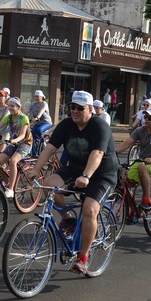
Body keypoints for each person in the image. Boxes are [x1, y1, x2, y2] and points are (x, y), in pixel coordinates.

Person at [27, 90, 118, 275]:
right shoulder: (67, 124)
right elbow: (51, 148)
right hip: (75, 168)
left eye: (80, 108)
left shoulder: (100, 126)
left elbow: (97, 153)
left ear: (91, 109)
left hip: (102, 174)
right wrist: (36, 169)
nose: (75, 111)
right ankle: (69, 219)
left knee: (90, 209)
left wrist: (86, 175)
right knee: (49, 184)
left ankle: (83, 258)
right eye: (72, 107)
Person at [117, 106, 151, 211]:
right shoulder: (140, 130)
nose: (146, 119)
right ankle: (134, 211)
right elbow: (127, 143)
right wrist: (111, 153)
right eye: (145, 117)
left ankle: (146, 200)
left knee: (141, 167)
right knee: (124, 184)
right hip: (142, 161)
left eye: (150, 118)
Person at [0, 97, 32, 198]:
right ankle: (7, 181)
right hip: (13, 143)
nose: (10, 108)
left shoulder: (24, 118)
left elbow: (23, 135)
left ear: (19, 107)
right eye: (9, 106)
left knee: (13, 161)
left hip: (25, 144)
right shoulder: (9, 117)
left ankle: (11, 189)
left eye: (12, 106)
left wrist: (14, 140)